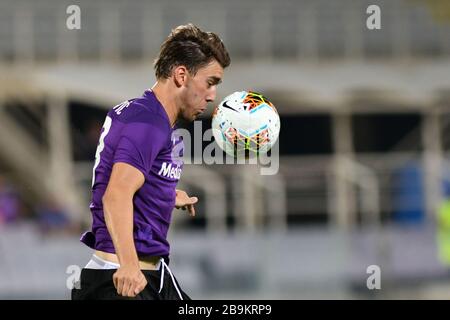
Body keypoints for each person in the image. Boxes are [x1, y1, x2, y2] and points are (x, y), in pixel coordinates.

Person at [72, 24, 230, 300]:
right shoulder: (150, 123)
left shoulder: (140, 112)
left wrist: (163, 193)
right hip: (123, 280)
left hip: (150, 276)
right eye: (210, 82)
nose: (212, 95)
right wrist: (130, 266)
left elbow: (123, 177)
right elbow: (116, 194)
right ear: (181, 75)